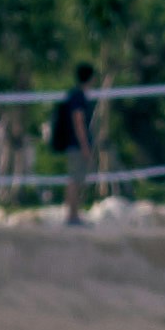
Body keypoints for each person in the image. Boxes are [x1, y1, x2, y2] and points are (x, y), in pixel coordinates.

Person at [46, 64, 94, 223]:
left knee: (75, 178)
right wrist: (85, 145)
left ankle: (73, 213)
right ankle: (72, 214)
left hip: (73, 144)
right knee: (75, 179)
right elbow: (78, 121)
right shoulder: (78, 96)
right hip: (76, 144)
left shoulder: (75, 94)